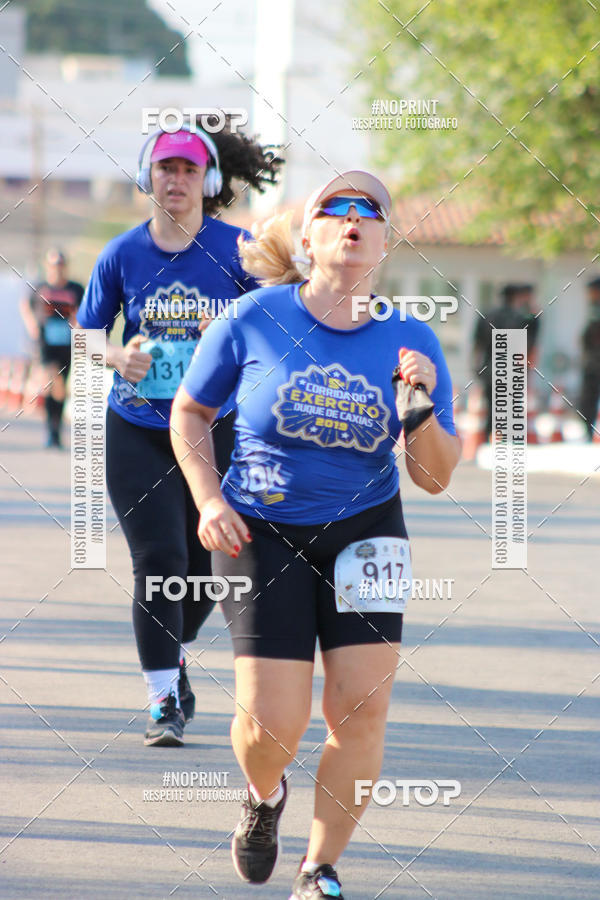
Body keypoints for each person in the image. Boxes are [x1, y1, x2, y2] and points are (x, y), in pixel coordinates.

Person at [171, 170, 461, 898]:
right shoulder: (254, 319)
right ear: (309, 237)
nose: (354, 218)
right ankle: (264, 797)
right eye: (337, 208)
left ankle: (319, 867)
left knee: (362, 709)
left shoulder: (412, 340)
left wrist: (419, 411)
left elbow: (436, 476)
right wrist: (207, 499)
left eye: (372, 212)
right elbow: (190, 414)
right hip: (260, 530)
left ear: (386, 242)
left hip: (368, 533)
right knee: (273, 727)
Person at [76, 120, 282, 746]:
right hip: (138, 427)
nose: (176, 179)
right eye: (166, 168)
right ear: (148, 177)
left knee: (202, 573)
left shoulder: (240, 249)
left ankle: (174, 651)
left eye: (189, 170)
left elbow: (277, 323)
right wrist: (116, 358)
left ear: (208, 181)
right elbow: (83, 336)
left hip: (216, 432)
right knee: (158, 561)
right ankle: (163, 701)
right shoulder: (121, 254)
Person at [20, 249, 84, 447]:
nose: (57, 270)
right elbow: (25, 305)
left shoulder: (75, 288)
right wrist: (32, 325)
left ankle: (55, 431)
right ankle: (51, 430)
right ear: (48, 267)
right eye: (54, 266)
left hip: (66, 344)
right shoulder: (40, 287)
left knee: (60, 388)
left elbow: (84, 310)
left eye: (61, 266)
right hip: (46, 344)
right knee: (51, 381)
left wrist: (78, 325)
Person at [473, 283, 539, 440]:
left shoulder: (487, 315)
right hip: (511, 368)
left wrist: (476, 367)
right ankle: (505, 439)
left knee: (491, 405)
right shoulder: (521, 318)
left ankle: (489, 437)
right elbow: (527, 344)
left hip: (490, 367)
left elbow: (477, 343)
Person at [578, 277, 600, 440]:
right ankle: (587, 430)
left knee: (589, 397)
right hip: (592, 361)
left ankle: (588, 430)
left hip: (595, 361)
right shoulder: (593, 308)